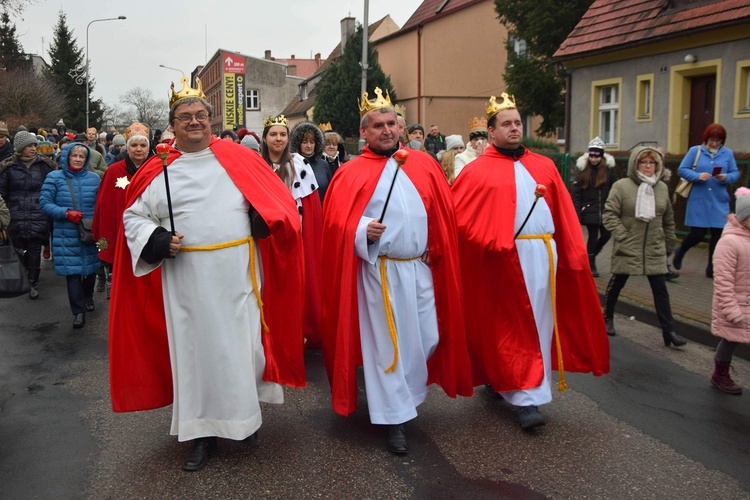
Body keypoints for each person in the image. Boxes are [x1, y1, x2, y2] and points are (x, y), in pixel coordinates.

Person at [109, 77, 305, 472]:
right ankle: (199, 434)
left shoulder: (240, 158)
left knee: (239, 349)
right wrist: (158, 240)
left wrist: (261, 220)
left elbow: (278, 204)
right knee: (195, 354)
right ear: (173, 124)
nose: (194, 122)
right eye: (185, 117)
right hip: (187, 279)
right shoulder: (159, 167)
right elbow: (133, 217)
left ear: (212, 120)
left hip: (237, 273)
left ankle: (243, 420)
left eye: (201, 115)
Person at [321, 87, 473, 455]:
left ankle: (406, 400)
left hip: (419, 269)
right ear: (365, 133)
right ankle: (393, 419)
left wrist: (437, 252)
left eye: (391, 123)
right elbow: (336, 224)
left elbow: (441, 214)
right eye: (378, 125)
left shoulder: (423, 165)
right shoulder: (352, 172)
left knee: (424, 337)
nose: (386, 130)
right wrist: (362, 231)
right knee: (386, 346)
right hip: (379, 272)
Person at [452, 92, 609, 431]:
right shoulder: (477, 172)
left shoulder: (544, 166)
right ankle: (525, 397)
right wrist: (488, 238)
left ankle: (513, 380)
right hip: (501, 259)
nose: (514, 128)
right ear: (491, 132)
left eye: (518, 123)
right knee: (510, 323)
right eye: (506, 124)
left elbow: (564, 214)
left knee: (537, 322)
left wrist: (573, 254)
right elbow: (459, 220)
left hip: (542, 255)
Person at [602, 146, 687, 346]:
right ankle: (607, 317)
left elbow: (668, 220)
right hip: (629, 245)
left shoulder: (662, 188)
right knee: (617, 283)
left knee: (660, 290)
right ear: (635, 164)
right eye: (644, 162)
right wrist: (623, 236)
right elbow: (609, 215)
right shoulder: (622, 186)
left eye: (652, 163)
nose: (648, 166)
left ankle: (669, 332)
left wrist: (669, 244)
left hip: (653, 247)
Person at [261, 115, 324, 348]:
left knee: (293, 288)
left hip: (294, 239)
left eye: (283, 134)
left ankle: (295, 336)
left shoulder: (299, 164)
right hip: (264, 240)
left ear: (289, 138)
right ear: (265, 138)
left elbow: (310, 208)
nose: (278, 139)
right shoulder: (257, 164)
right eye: (273, 134)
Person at [39, 143, 100, 328]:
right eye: (74, 156)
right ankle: (78, 311)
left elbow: (102, 203)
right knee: (72, 273)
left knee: (91, 269)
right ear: (67, 157)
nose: (78, 159)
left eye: (82, 156)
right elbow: (44, 203)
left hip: (90, 231)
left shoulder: (94, 178)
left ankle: (88, 296)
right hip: (66, 232)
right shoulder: (54, 177)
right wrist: (65, 213)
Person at [673, 123, 740, 278]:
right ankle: (681, 250)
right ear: (706, 139)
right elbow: (682, 169)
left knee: (718, 235)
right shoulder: (695, 151)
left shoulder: (727, 154)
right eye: (712, 140)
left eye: (718, 140)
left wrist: (726, 177)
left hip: (718, 200)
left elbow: (735, 173)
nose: (715, 143)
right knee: (698, 234)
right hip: (699, 199)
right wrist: (697, 176)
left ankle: (712, 268)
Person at [92, 134, 151, 298]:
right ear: (127, 148)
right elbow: (105, 204)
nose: (138, 149)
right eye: (134, 145)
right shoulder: (114, 171)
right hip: (121, 229)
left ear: (148, 148)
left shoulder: (157, 169)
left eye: (142, 145)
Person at [0, 130, 57, 299]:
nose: (33, 149)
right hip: (15, 214)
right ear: (20, 148)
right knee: (19, 248)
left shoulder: (45, 165)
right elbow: (1, 192)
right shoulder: (7, 167)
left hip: (38, 212)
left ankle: (33, 282)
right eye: (29, 146)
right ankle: (24, 273)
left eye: (34, 145)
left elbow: (53, 188)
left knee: (33, 248)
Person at [709, 187, 750, 395]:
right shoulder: (729, 242)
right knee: (730, 339)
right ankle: (720, 374)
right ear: (744, 217)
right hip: (736, 303)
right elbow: (723, 281)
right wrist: (731, 309)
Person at [571, 137, 618, 277]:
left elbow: (615, 189)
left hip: (605, 210)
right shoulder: (583, 171)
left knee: (606, 235)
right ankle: (591, 264)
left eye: (597, 156)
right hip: (589, 210)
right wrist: (578, 212)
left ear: (601, 156)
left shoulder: (609, 172)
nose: (594, 159)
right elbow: (577, 194)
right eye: (592, 156)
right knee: (592, 236)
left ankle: (590, 256)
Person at [290, 121, 332, 202]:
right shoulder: (292, 164)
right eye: (305, 142)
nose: (309, 146)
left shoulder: (324, 165)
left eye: (312, 142)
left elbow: (330, 192)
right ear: (298, 144)